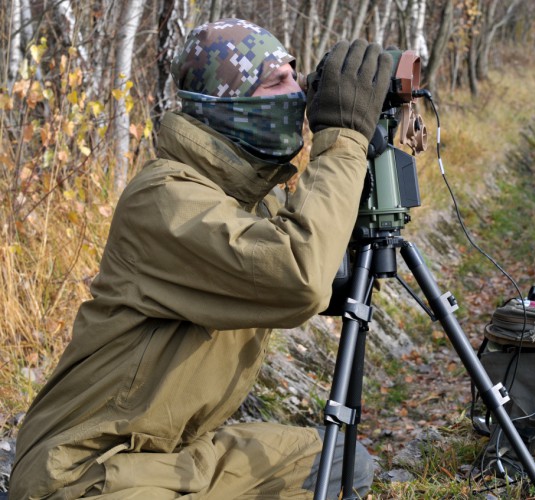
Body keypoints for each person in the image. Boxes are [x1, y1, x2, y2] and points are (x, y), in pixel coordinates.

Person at [10, 18, 392, 499]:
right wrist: (343, 142)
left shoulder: (250, 201)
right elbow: (299, 277)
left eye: (297, 78)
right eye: (278, 82)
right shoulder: (163, 199)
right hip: (86, 471)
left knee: (341, 461)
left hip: (181, 458)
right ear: (225, 106)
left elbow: (325, 273)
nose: (298, 97)